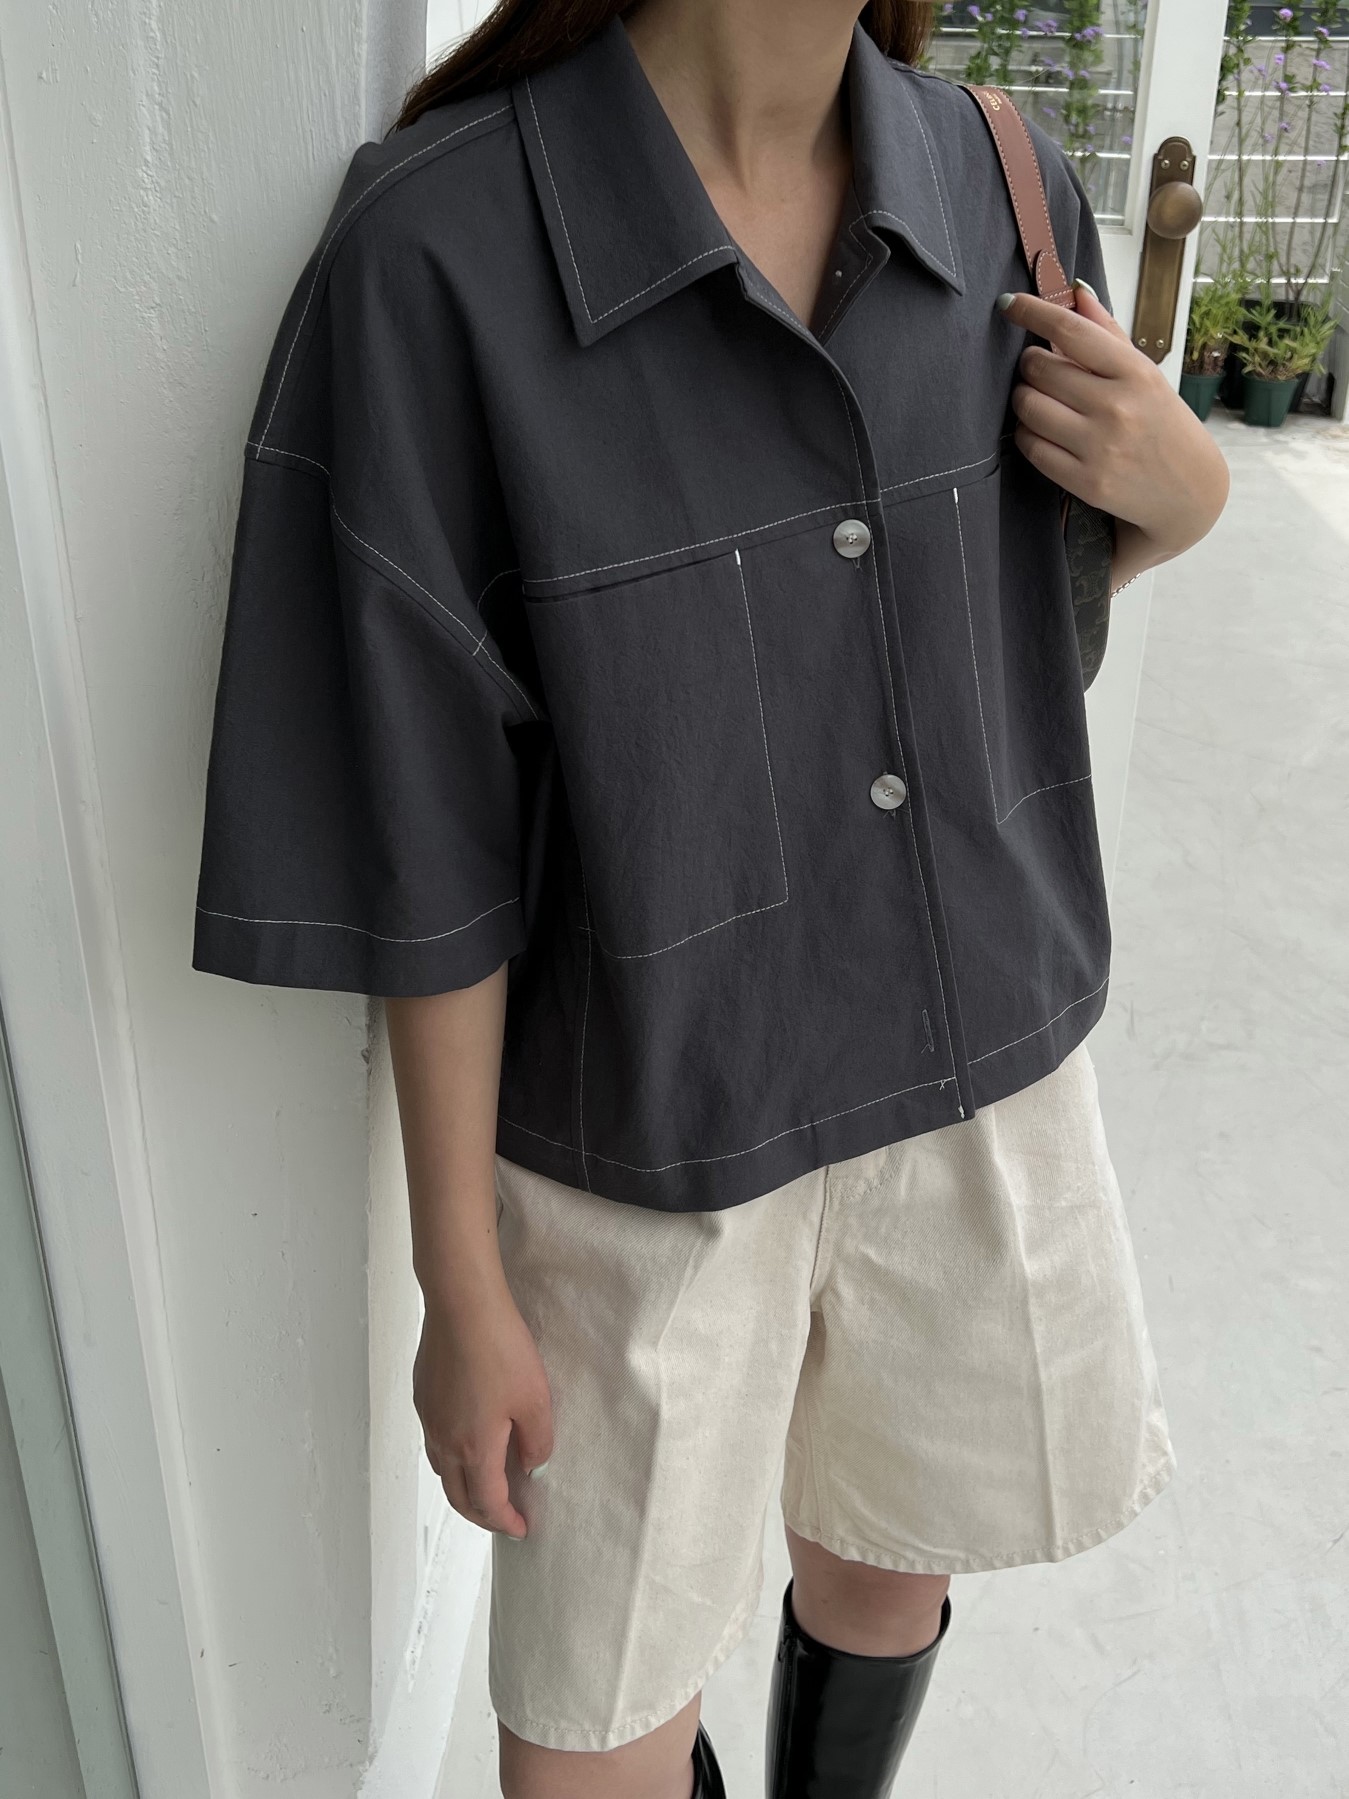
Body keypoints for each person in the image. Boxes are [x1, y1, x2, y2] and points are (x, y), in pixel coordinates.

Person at [192, 0, 1230, 1794]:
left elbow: (983, 647)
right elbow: (426, 830)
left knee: (891, 1551)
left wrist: (1180, 498)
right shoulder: (435, 253)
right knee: (590, 1727)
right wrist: (458, 1273)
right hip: (645, 1138)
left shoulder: (998, 185)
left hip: (967, 1063)